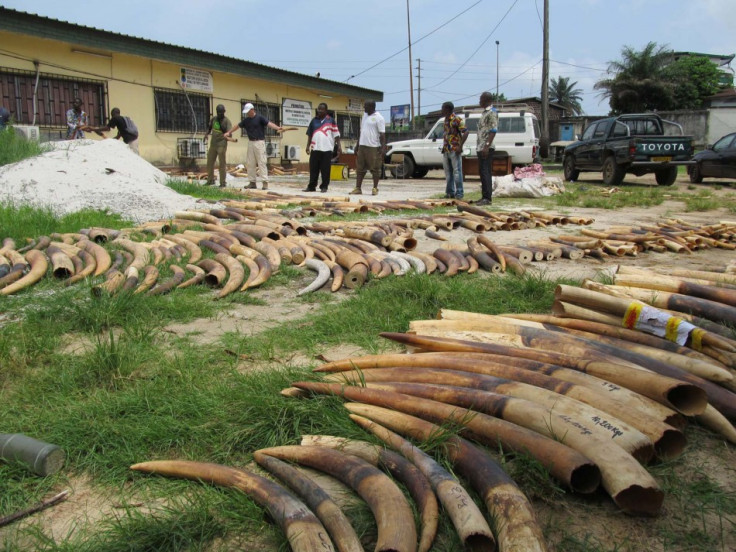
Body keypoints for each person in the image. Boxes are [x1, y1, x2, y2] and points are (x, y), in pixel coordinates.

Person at [225, 102, 282, 190]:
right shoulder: (246, 120)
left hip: (259, 142)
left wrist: (278, 128)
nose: (247, 113)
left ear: (252, 110)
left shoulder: (260, 118)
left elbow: (269, 124)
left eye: (248, 111)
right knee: (250, 163)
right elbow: (237, 126)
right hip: (251, 143)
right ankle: (252, 182)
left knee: (261, 163)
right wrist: (229, 132)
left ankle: (265, 183)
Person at [303, 103, 341, 193]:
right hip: (315, 148)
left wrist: (339, 146)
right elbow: (309, 135)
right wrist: (307, 146)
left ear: (326, 111)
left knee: (325, 170)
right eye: (318, 109)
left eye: (322, 109)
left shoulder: (331, 121)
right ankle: (311, 186)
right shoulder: (313, 121)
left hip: (327, 149)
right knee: (313, 169)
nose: (319, 111)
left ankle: (324, 186)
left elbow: (337, 135)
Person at [351, 100, 386, 195]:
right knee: (360, 168)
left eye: (366, 106)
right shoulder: (364, 116)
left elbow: (382, 134)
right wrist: (357, 145)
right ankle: (358, 188)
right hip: (362, 146)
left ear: (372, 107)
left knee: (375, 168)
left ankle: (375, 188)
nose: (364, 108)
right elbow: (362, 132)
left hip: (373, 147)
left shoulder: (379, 118)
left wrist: (383, 148)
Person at [440, 101, 469, 199]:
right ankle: (450, 192)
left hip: (454, 149)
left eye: (443, 108)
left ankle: (459, 193)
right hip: (446, 149)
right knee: (448, 173)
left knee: (457, 172)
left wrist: (460, 146)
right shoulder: (446, 120)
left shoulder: (457, 119)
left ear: (448, 109)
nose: (442, 110)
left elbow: (466, 132)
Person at [475, 92, 498, 206]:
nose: (479, 101)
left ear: (486, 100)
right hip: (480, 147)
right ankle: (484, 196)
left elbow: (493, 131)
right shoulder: (484, 113)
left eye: (481, 99)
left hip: (486, 147)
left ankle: (487, 198)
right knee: (482, 172)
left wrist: (486, 146)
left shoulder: (492, 113)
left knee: (486, 172)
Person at [204, 104, 232, 187]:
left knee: (222, 163)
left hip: (221, 144)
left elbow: (230, 133)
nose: (220, 114)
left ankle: (222, 182)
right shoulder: (214, 119)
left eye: (221, 113)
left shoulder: (227, 121)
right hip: (213, 144)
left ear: (224, 112)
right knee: (209, 162)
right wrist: (206, 135)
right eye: (218, 113)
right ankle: (210, 180)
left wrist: (227, 135)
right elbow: (209, 128)